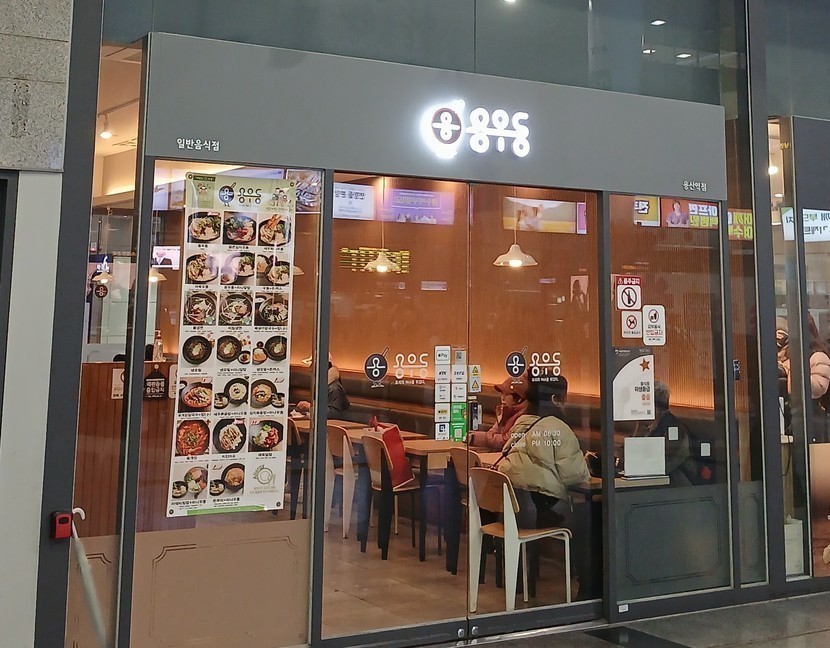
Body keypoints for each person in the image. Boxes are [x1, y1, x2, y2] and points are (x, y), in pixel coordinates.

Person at [497, 374, 589, 527]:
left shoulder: (520, 423)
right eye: (564, 399)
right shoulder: (559, 428)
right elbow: (574, 476)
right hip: (541, 509)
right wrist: (588, 466)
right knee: (588, 514)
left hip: (512, 508)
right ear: (555, 399)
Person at [635, 382, 699, 486]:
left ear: (655, 407)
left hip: (676, 489)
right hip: (657, 485)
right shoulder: (648, 427)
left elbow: (666, 465)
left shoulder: (675, 430)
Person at [468, 373, 530, 451]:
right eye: (502, 394)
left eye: (506, 394)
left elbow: (506, 441)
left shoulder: (525, 417)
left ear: (519, 398)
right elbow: (493, 431)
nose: (502, 398)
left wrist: (474, 438)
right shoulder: (503, 411)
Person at [297, 354, 350, 419]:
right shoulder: (323, 385)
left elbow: (334, 414)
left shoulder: (334, 388)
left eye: (312, 366)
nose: (310, 370)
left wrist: (310, 407)